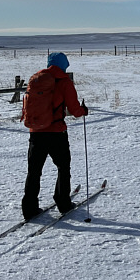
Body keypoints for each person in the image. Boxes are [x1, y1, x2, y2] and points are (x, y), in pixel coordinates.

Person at [21, 52, 88, 219]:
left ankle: (29, 208)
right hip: (56, 132)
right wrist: (84, 110)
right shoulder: (64, 82)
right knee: (63, 167)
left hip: (36, 132)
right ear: (63, 64)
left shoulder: (36, 80)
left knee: (34, 171)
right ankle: (63, 203)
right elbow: (74, 110)